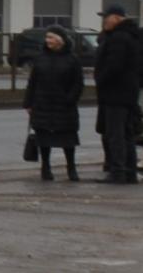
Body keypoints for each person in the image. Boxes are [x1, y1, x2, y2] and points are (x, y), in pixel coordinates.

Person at [23, 26, 84, 181]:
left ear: (60, 40)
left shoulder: (72, 59)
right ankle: (45, 167)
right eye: (47, 37)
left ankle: (71, 167)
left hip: (64, 107)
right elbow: (33, 82)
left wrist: (70, 99)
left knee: (67, 139)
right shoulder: (41, 58)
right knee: (43, 138)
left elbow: (78, 84)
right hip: (42, 105)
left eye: (51, 37)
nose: (48, 41)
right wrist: (28, 103)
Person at [94, 4, 140, 184]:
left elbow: (114, 66)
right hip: (128, 93)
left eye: (107, 17)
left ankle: (118, 171)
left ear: (118, 18)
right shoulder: (131, 36)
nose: (104, 20)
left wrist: (101, 79)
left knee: (115, 134)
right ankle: (130, 171)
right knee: (126, 134)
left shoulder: (118, 38)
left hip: (115, 93)